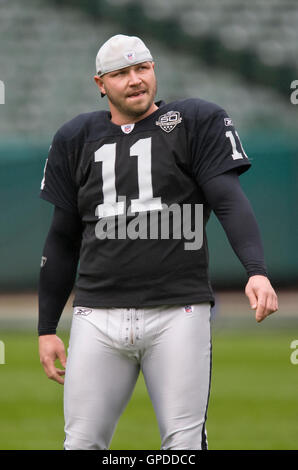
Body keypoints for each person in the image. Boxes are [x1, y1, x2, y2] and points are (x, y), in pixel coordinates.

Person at [38, 34, 278, 450]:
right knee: (81, 444)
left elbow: (228, 201)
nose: (135, 80)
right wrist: (46, 327)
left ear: (154, 70)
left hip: (177, 309)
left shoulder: (193, 121)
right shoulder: (76, 137)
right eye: (121, 73)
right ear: (100, 83)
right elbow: (62, 238)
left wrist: (255, 271)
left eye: (142, 68)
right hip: (97, 313)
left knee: (183, 446)